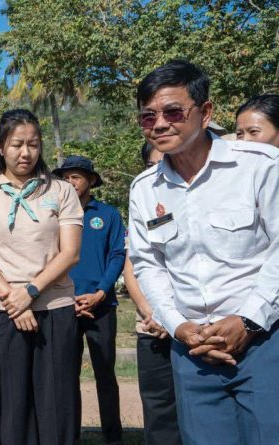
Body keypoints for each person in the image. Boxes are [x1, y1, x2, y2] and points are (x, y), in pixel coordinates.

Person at [129, 60, 279, 445]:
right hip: (192, 351)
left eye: (173, 112)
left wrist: (247, 321)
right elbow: (149, 264)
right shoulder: (145, 189)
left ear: (206, 112)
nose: (160, 124)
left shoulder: (261, 167)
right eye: (148, 117)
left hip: (264, 343)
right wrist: (178, 325)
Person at [0, 109, 83, 445]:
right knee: (12, 402)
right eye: (16, 144)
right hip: (3, 310)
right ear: (1, 147)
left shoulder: (61, 191)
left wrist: (30, 291)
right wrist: (12, 299)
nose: (26, 152)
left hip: (54, 305)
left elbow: (70, 253)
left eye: (33, 144)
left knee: (57, 401)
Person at [54, 155, 125, 445]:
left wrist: (100, 292)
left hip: (101, 306)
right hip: (63, 306)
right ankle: (68, 435)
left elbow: (118, 255)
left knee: (105, 374)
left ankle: (114, 437)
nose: (70, 182)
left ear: (91, 181)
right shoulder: (53, 214)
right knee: (65, 377)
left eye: (77, 177)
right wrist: (65, 297)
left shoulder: (108, 214)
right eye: (66, 177)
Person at [123, 143, 182, 445]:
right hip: (152, 327)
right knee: (159, 409)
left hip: (194, 326)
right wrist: (152, 312)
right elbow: (133, 266)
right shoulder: (144, 202)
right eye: (154, 163)